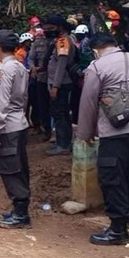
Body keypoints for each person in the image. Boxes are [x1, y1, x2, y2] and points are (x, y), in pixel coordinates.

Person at [77, 33, 129, 246]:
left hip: (113, 133)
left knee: (113, 180)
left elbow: (88, 103)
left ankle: (117, 229)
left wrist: (85, 134)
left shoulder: (96, 67)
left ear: (95, 49)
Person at [0, 30, 31, 229]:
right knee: (19, 167)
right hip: (19, 123)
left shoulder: (4, 70)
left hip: (7, 127)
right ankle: (19, 210)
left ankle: (21, 215)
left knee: (11, 169)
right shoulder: (20, 67)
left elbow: (1, 102)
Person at [44, 15, 76, 156]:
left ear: (60, 28)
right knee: (61, 114)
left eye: (51, 29)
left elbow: (61, 64)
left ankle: (63, 144)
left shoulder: (63, 41)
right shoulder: (60, 40)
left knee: (60, 114)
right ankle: (64, 142)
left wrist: (55, 86)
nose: (48, 31)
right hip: (60, 83)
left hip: (61, 84)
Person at [28, 28, 52, 140]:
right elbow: (31, 59)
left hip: (52, 77)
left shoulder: (52, 43)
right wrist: (33, 68)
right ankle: (47, 129)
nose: (40, 40)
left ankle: (53, 130)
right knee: (42, 105)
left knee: (53, 105)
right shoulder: (35, 46)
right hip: (40, 78)